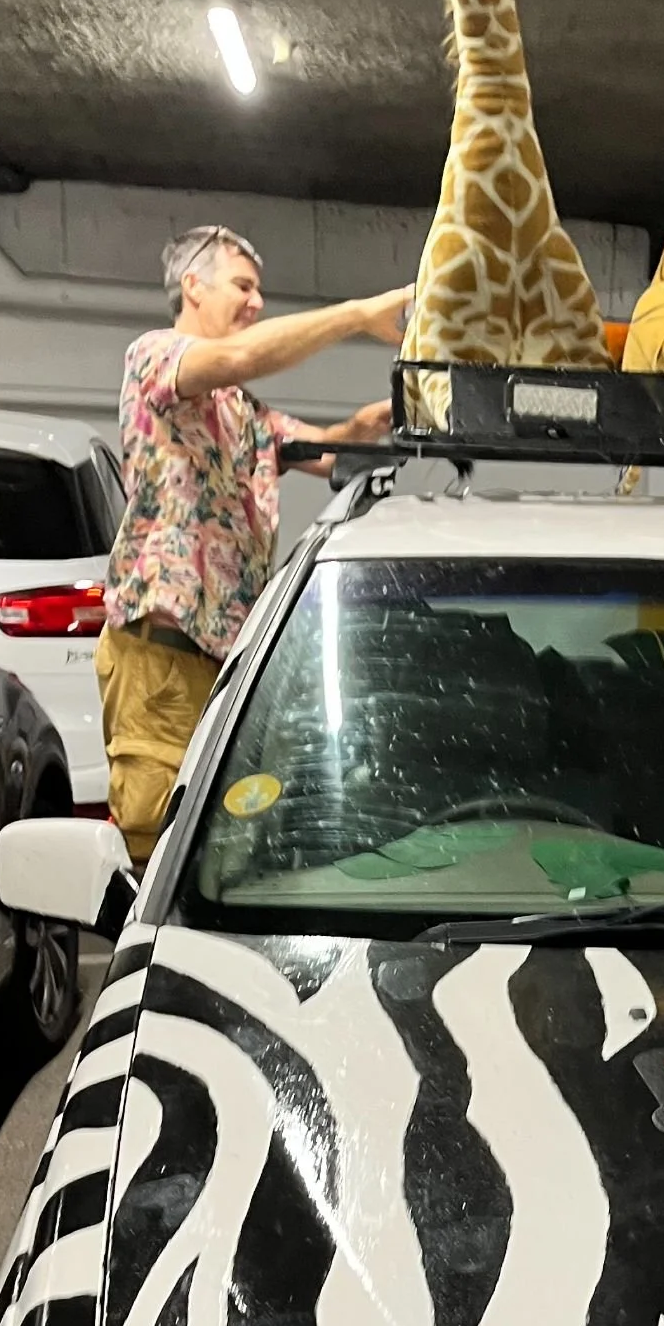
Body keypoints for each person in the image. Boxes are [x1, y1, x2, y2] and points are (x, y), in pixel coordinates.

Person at [97, 224, 413, 860]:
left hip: (224, 662)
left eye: (258, 291)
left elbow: (325, 449)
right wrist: (356, 315)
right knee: (157, 842)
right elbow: (242, 356)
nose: (255, 302)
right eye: (242, 286)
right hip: (166, 654)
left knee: (226, 844)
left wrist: (377, 421)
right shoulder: (158, 355)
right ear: (194, 284)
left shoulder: (240, 408)